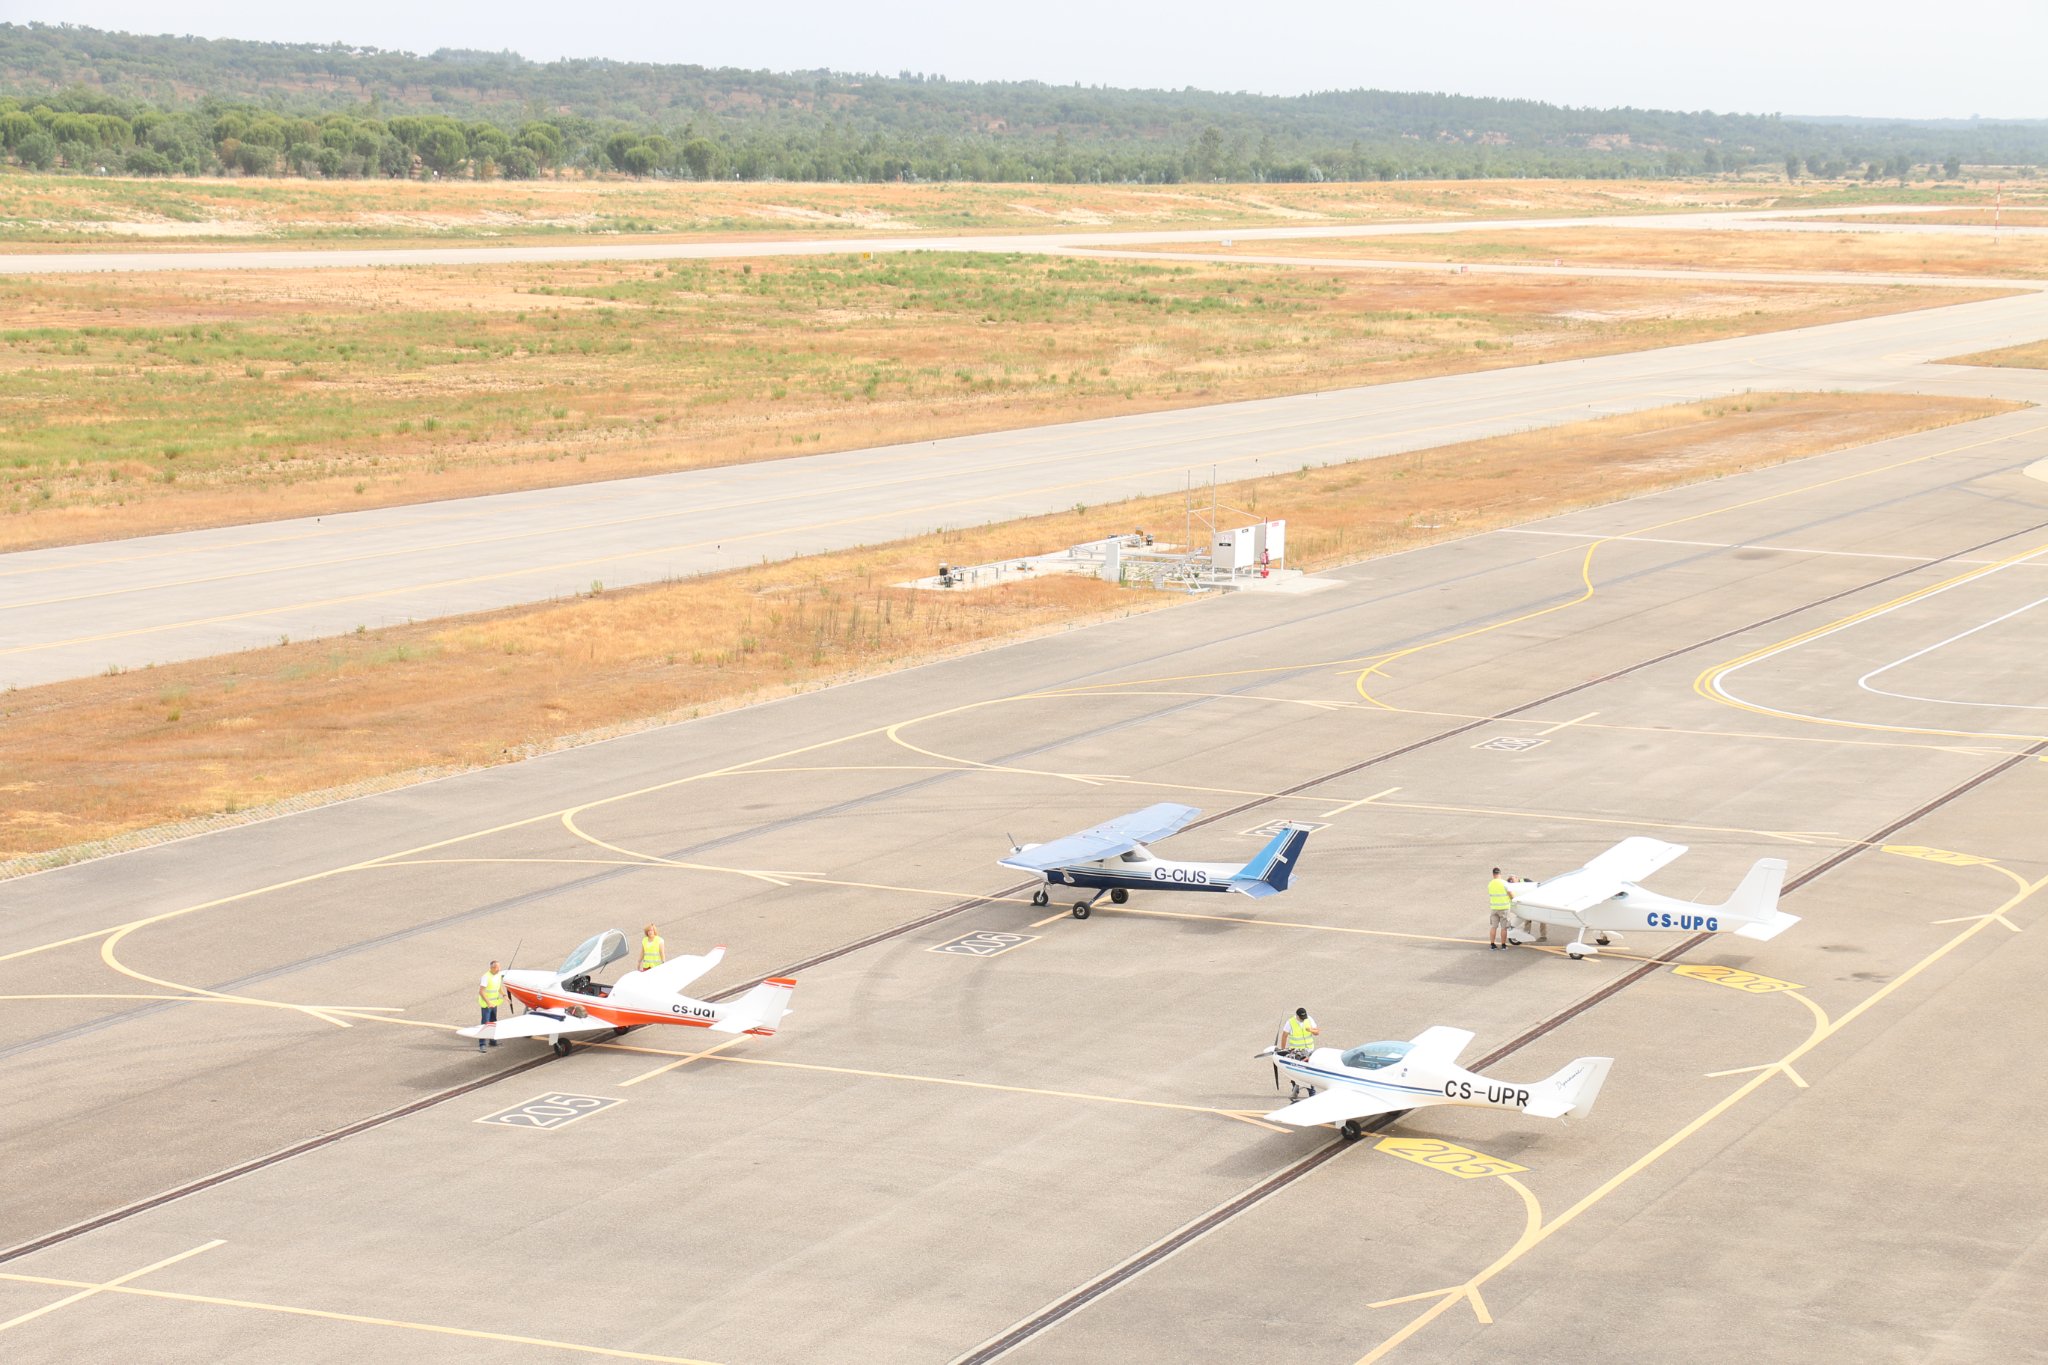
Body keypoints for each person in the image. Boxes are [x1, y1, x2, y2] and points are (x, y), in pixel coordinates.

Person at [477, 959, 506, 1051]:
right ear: (492, 968)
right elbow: (481, 991)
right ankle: (482, 1044)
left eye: (499, 967)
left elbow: (498, 987)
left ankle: (492, 1041)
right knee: (485, 1023)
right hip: (487, 1005)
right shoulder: (486, 977)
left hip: (494, 1004)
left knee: (493, 1022)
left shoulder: (498, 975)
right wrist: (488, 1003)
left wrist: (504, 995)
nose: (498, 969)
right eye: (497, 967)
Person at [1487, 868, 1515, 951]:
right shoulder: (1504, 883)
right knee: (1504, 928)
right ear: (1500, 874)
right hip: (1504, 908)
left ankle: (1492, 944)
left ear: (1493, 874)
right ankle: (1503, 945)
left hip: (1494, 908)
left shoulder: (1490, 884)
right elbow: (1511, 894)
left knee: (1493, 927)